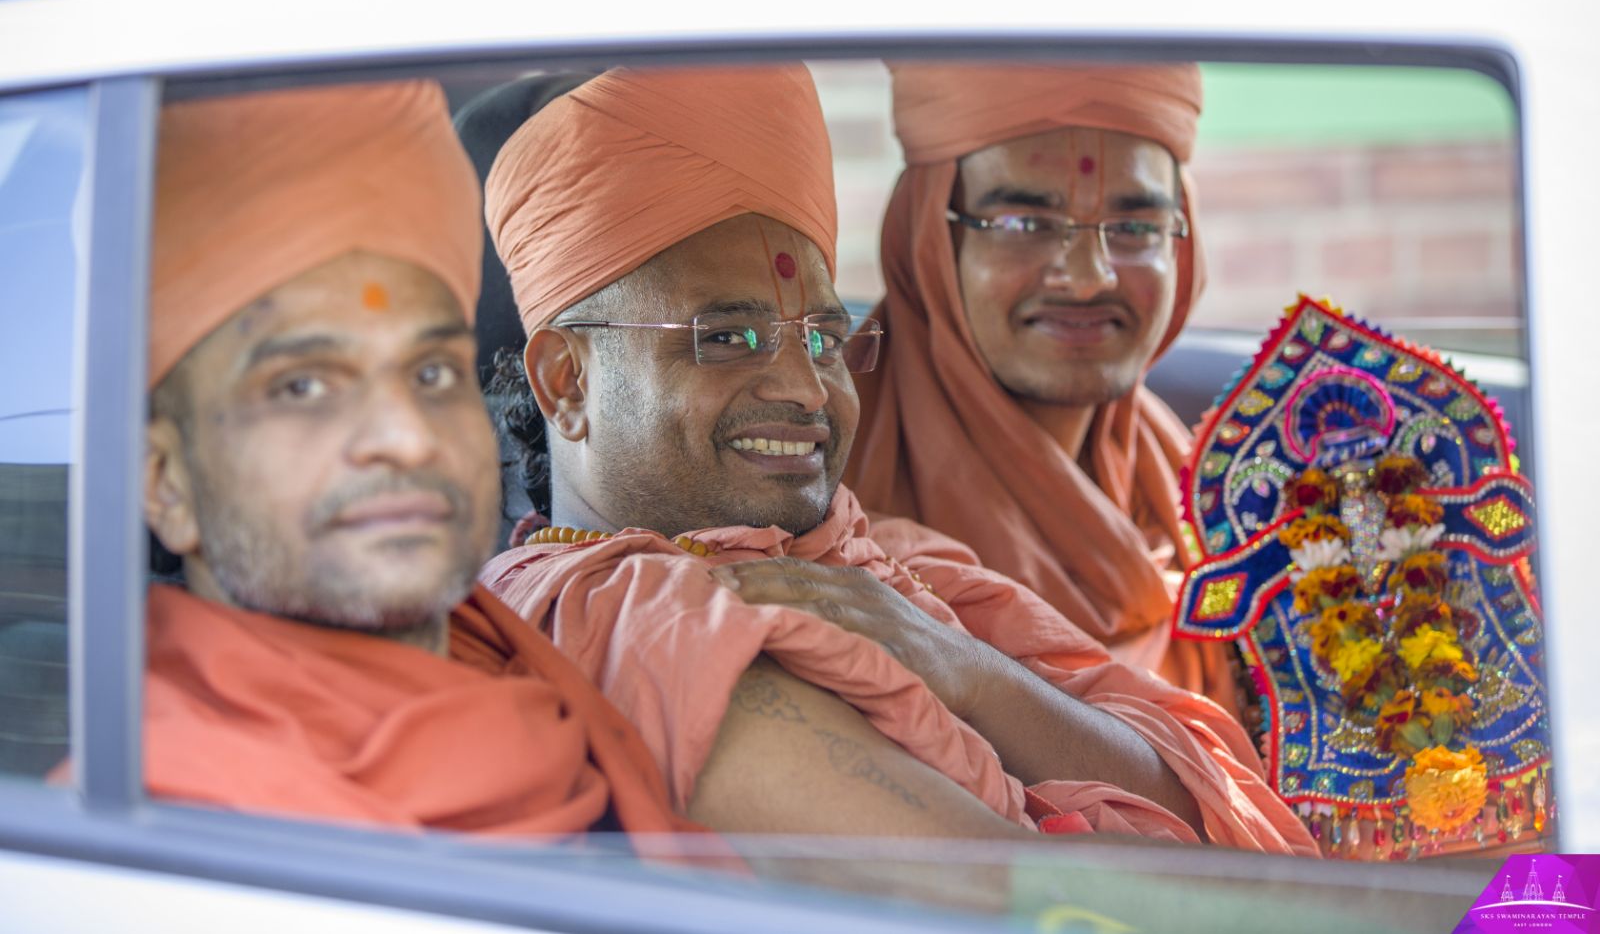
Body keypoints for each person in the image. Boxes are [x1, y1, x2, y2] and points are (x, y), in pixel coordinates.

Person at [477, 63, 1315, 854]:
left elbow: (1220, 795)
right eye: (726, 338)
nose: (808, 388)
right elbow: (1029, 901)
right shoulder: (648, 616)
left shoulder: (892, 561)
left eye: (823, 337)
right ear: (568, 380)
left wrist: (966, 668)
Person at [136, 80, 691, 839]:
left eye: (432, 373)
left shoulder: (540, 703)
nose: (408, 435)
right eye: (303, 385)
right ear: (165, 480)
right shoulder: (157, 836)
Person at [845, 62, 1238, 709]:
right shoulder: (835, 518)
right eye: (1025, 224)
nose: (1088, 277)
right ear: (928, 244)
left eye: (1135, 228)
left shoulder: (1207, 501)